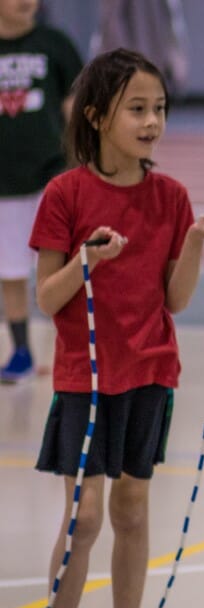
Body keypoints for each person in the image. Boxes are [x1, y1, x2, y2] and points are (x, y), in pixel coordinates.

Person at [21, 48, 204, 608]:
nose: (152, 122)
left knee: (133, 509)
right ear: (97, 116)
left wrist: (197, 240)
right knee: (84, 516)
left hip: (149, 373)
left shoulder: (170, 197)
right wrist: (86, 262)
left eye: (160, 109)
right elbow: (47, 299)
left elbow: (174, 300)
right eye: (137, 109)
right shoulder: (65, 195)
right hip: (82, 378)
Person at [0, 0, 83, 384]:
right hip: (4, 184)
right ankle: (20, 352)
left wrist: (85, 156)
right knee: (11, 271)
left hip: (53, 177)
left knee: (65, 268)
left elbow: (74, 105)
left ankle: (74, 351)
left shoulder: (55, 44)